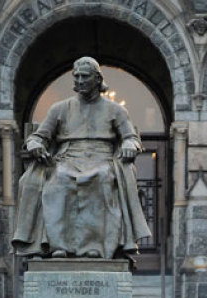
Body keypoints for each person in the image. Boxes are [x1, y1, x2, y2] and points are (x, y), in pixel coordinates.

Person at [12, 56, 150, 259]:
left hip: (102, 158)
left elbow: (131, 138)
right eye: (76, 76)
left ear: (97, 79)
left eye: (85, 76)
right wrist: (35, 145)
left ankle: (95, 247)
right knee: (58, 181)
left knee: (101, 178)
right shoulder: (59, 108)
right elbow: (38, 137)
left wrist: (130, 145)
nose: (79, 81)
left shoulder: (116, 110)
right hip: (67, 157)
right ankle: (58, 245)